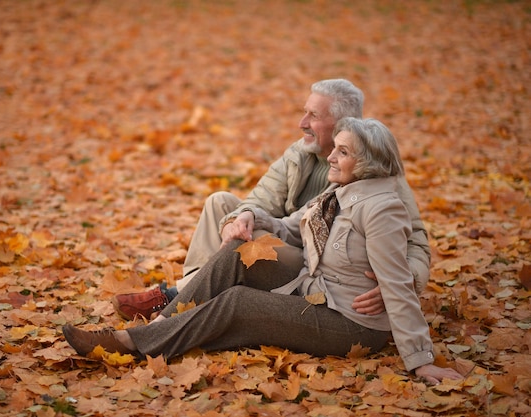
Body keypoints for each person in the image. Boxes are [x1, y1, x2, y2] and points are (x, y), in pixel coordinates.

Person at [64, 117, 463, 384]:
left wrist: (420, 359)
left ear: (368, 162)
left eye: (342, 152)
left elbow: (396, 283)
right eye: (335, 148)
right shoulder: (339, 189)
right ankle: (155, 330)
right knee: (241, 251)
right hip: (316, 287)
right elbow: (293, 226)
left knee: (238, 302)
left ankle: (135, 345)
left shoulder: (382, 207)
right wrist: (254, 222)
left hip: (351, 322)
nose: (331, 157)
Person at [115, 79, 431, 320]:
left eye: (313, 115)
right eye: (304, 112)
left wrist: (404, 282)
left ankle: (175, 299)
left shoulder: (376, 168)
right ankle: (190, 292)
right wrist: (236, 221)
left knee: (257, 238)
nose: (302, 123)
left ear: (342, 125)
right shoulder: (300, 153)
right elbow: (259, 200)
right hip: (289, 232)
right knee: (221, 203)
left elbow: (416, 238)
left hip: (319, 264)